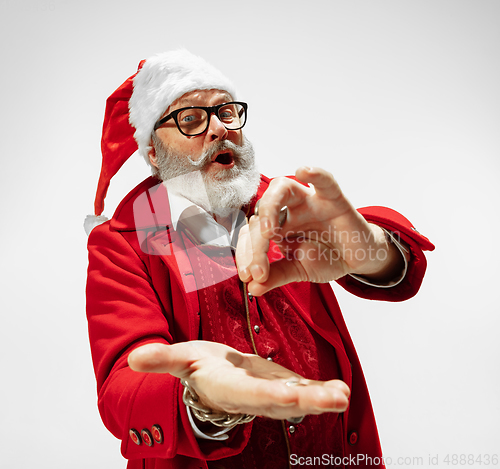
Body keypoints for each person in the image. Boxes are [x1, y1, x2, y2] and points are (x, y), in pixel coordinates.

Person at [85, 50, 434, 469]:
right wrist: (202, 398)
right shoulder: (124, 242)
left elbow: (396, 261)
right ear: (155, 154)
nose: (219, 129)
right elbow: (125, 382)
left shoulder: (283, 203)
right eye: (191, 119)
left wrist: (371, 247)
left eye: (227, 112)